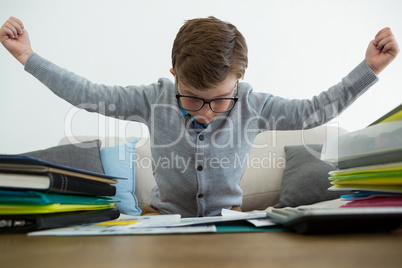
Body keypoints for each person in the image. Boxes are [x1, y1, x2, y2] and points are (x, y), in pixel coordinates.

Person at [1, 16, 399, 217]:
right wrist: (27, 57)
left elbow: (313, 110)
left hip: (231, 223)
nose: (206, 114)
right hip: (163, 221)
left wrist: (370, 69)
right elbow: (88, 94)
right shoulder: (152, 97)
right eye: (191, 100)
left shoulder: (254, 103)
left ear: (240, 81)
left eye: (221, 100)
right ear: (174, 76)